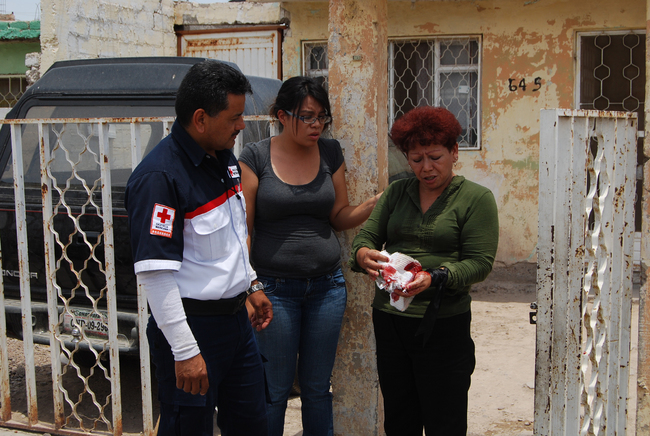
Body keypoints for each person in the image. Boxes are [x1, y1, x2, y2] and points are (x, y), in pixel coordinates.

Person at [125, 60, 272, 436]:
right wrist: (185, 350)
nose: (242, 125)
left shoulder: (223, 159)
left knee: (252, 425)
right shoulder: (161, 177)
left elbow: (233, 234)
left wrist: (251, 284)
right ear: (201, 119)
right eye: (234, 117)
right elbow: (156, 275)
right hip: (193, 329)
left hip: (237, 324)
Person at [238, 76, 381, 436]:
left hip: (327, 288)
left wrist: (372, 205)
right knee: (275, 390)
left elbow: (338, 216)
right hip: (273, 290)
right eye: (307, 117)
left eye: (322, 117)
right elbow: (244, 230)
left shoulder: (330, 152)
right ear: (282, 116)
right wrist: (250, 287)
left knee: (317, 389)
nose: (317, 125)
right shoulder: (255, 156)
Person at [349, 106, 499, 436]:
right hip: (391, 320)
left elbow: (479, 263)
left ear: (454, 152)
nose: (426, 167)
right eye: (416, 159)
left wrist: (436, 276)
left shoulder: (476, 199)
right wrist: (363, 255)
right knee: (399, 418)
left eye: (435, 157)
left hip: (443, 324)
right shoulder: (396, 193)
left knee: (445, 420)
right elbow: (366, 237)